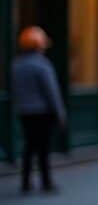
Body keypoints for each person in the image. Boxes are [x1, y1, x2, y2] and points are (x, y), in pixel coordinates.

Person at [12, 26, 65, 194]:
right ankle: (46, 182)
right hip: (42, 112)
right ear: (38, 45)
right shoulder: (42, 65)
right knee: (43, 149)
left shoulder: (17, 65)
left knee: (29, 147)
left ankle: (26, 182)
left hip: (24, 112)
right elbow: (52, 91)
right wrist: (60, 113)